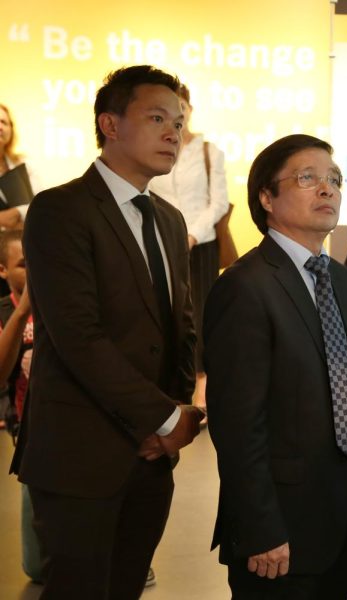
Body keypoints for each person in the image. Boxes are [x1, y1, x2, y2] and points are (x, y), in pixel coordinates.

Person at [10, 65, 204, 599]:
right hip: (81, 456)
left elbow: (182, 329)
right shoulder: (60, 209)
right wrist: (163, 417)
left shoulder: (166, 217)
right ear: (110, 125)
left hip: (151, 457)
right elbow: (78, 337)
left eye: (180, 122)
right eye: (158, 117)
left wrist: (173, 416)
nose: (174, 133)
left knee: (125, 588)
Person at [204, 134, 347, 599]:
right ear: (266, 196)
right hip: (279, 526)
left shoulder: (340, 278)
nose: (327, 190)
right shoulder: (245, 286)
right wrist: (261, 526)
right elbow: (238, 424)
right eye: (308, 178)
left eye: (334, 180)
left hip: (343, 518)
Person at [149, 83, 230, 412]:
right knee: (165, 310)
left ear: (189, 110)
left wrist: (192, 235)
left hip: (201, 245)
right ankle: (171, 382)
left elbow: (218, 203)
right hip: (160, 241)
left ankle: (203, 385)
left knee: (200, 311)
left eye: (180, 107)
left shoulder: (210, 152)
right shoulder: (154, 150)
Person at [0, 230, 40, 581]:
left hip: (73, 430)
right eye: (23, 264)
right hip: (31, 438)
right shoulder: (4, 312)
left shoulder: (63, 301)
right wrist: (24, 310)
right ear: (2, 270)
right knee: (38, 566)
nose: (33, 270)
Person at [0, 102, 41, 230]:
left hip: (23, 243)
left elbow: (40, 205)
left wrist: (16, 213)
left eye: (4, 122)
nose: (0, 127)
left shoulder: (24, 164)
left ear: (11, 129)